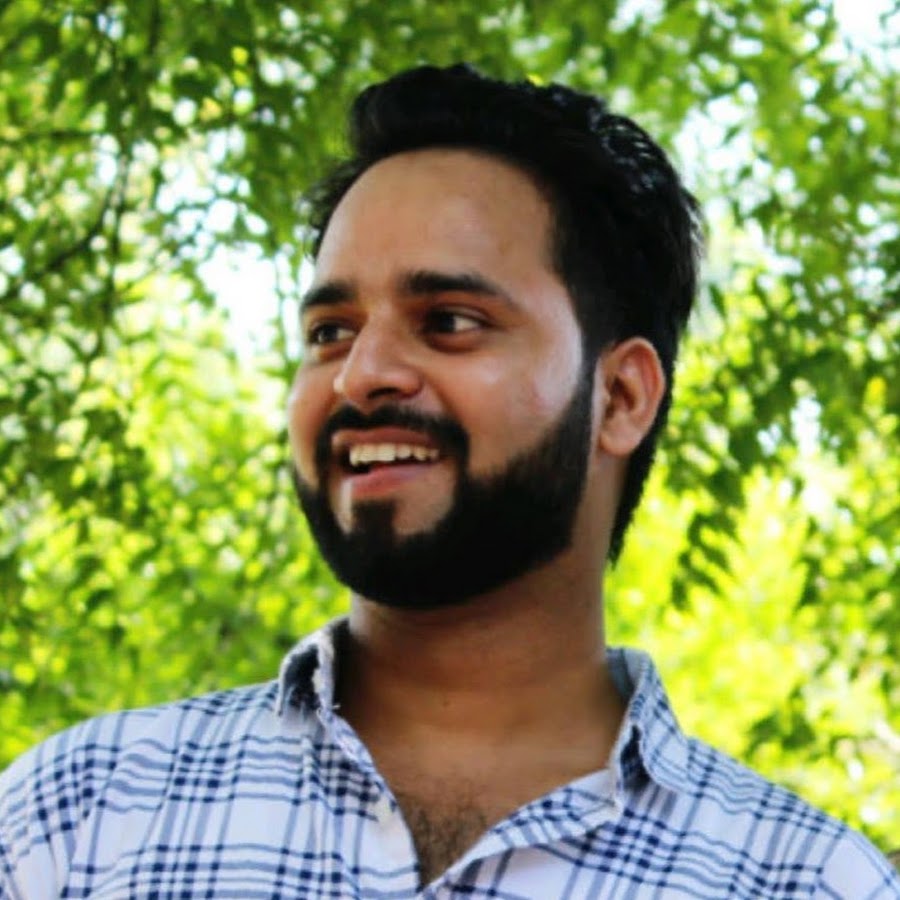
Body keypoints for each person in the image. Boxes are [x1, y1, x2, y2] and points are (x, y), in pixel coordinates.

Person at [1, 64, 897, 900]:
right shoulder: (73, 822)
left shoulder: (811, 882)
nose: (361, 376)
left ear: (621, 397)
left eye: (450, 321)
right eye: (331, 332)